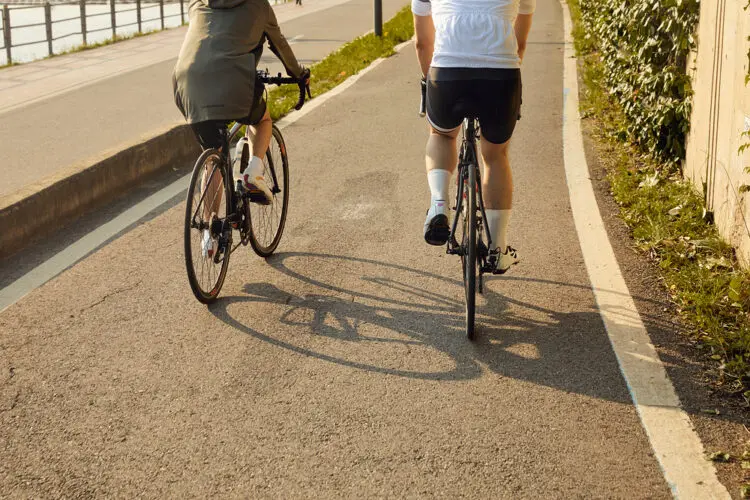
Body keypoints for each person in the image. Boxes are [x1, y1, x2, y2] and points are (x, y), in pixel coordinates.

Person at [172, 0, 309, 257]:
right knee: (262, 120)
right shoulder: (259, 5)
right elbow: (280, 45)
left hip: (190, 84)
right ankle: (253, 173)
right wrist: (300, 75)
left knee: (213, 156)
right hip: (234, 83)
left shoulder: (197, 3)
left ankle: (209, 234)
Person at [412, 0, 534, 274]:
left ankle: (439, 205)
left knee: (442, 135)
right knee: (495, 155)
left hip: (448, 71)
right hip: (501, 74)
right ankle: (498, 250)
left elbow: (422, 43)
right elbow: (521, 43)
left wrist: (429, 81)